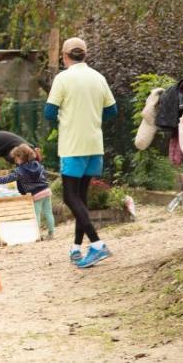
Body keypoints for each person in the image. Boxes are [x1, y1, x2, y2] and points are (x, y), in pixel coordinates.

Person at [45, 37, 117, 268]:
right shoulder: (99, 78)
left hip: (73, 144)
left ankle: (96, 244)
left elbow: (49, 112)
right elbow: (112, 110)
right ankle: (77, 248)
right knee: (81, 197)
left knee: (69, 196)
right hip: (95, 144)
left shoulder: (63, 78)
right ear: (85, 55)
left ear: (65, 56)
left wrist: (63, 121)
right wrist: (94, 120)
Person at [0, 144, 54, 239]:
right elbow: (45, 175)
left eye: (15, 158)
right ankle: (51, 234)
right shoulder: (37, 164)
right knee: (48, 213)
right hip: (46, 190)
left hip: (36, 195)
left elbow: (6, 179)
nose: (15, 161)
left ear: (20, 157)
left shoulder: (19, 171)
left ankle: (38, 235)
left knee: (36, 214)